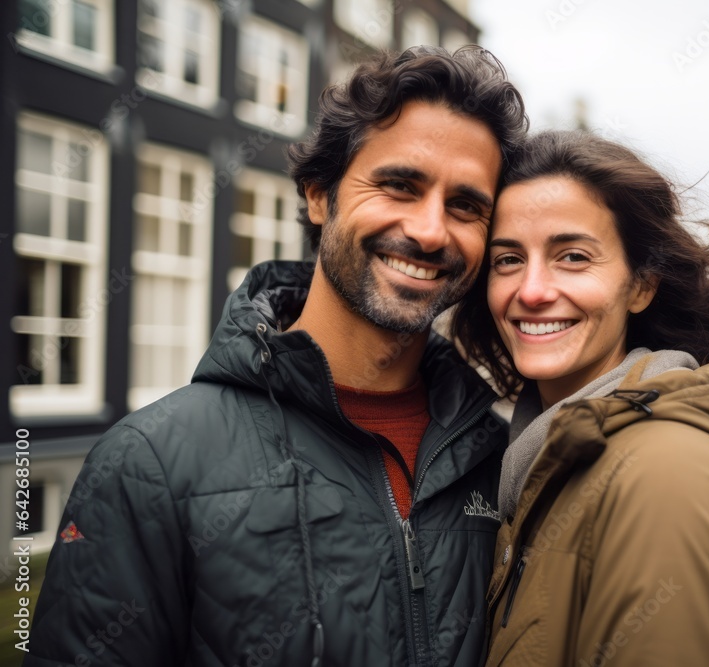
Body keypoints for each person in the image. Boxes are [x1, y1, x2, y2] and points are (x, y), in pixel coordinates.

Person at [25, 46, 528, 667]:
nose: (430, 231)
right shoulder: (148, 463)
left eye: (466, 206)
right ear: (320, 196)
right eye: (400, 185)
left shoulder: (502, 462)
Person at [451, 130, 709, 666]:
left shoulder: (668, 475)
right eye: (507, 260)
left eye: (571, 256)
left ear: (641, 286)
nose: (532, 290)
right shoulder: (539, 456)